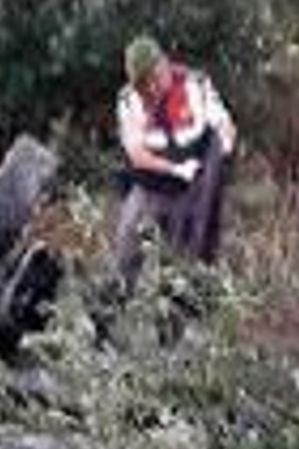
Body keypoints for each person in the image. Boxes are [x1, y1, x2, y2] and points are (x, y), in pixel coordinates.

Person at [113, 36, 236, 288]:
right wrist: (175, 169)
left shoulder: (196, 85)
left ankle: (186, 299)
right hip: (150, 187)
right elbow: (137, 155)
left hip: (191, 190)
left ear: (165, 64)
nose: (152, 89)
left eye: (155, 78)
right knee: (126, 247)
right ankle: (119, 299)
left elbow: (224, 127)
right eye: (144, 84)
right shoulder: (128, 100)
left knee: (185, 261)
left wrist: (221, 151)